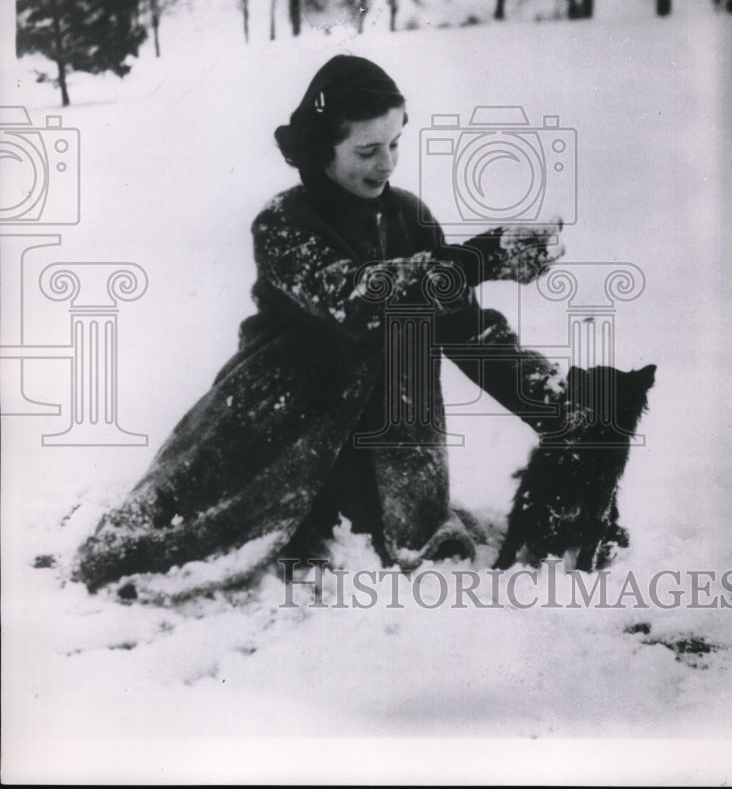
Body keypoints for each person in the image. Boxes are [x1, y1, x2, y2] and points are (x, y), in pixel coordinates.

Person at [73, 55, 567, 593]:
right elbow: (351, 298)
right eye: (367, 150)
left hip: (389, 435)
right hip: (280, 427)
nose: (387, 164)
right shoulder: (283, 222)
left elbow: (467, 331)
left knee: (390, 523)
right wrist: (477, 259)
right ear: (322, 149)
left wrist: (555, 405)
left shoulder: (412, 219)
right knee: (196, 531)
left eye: (395, 144)